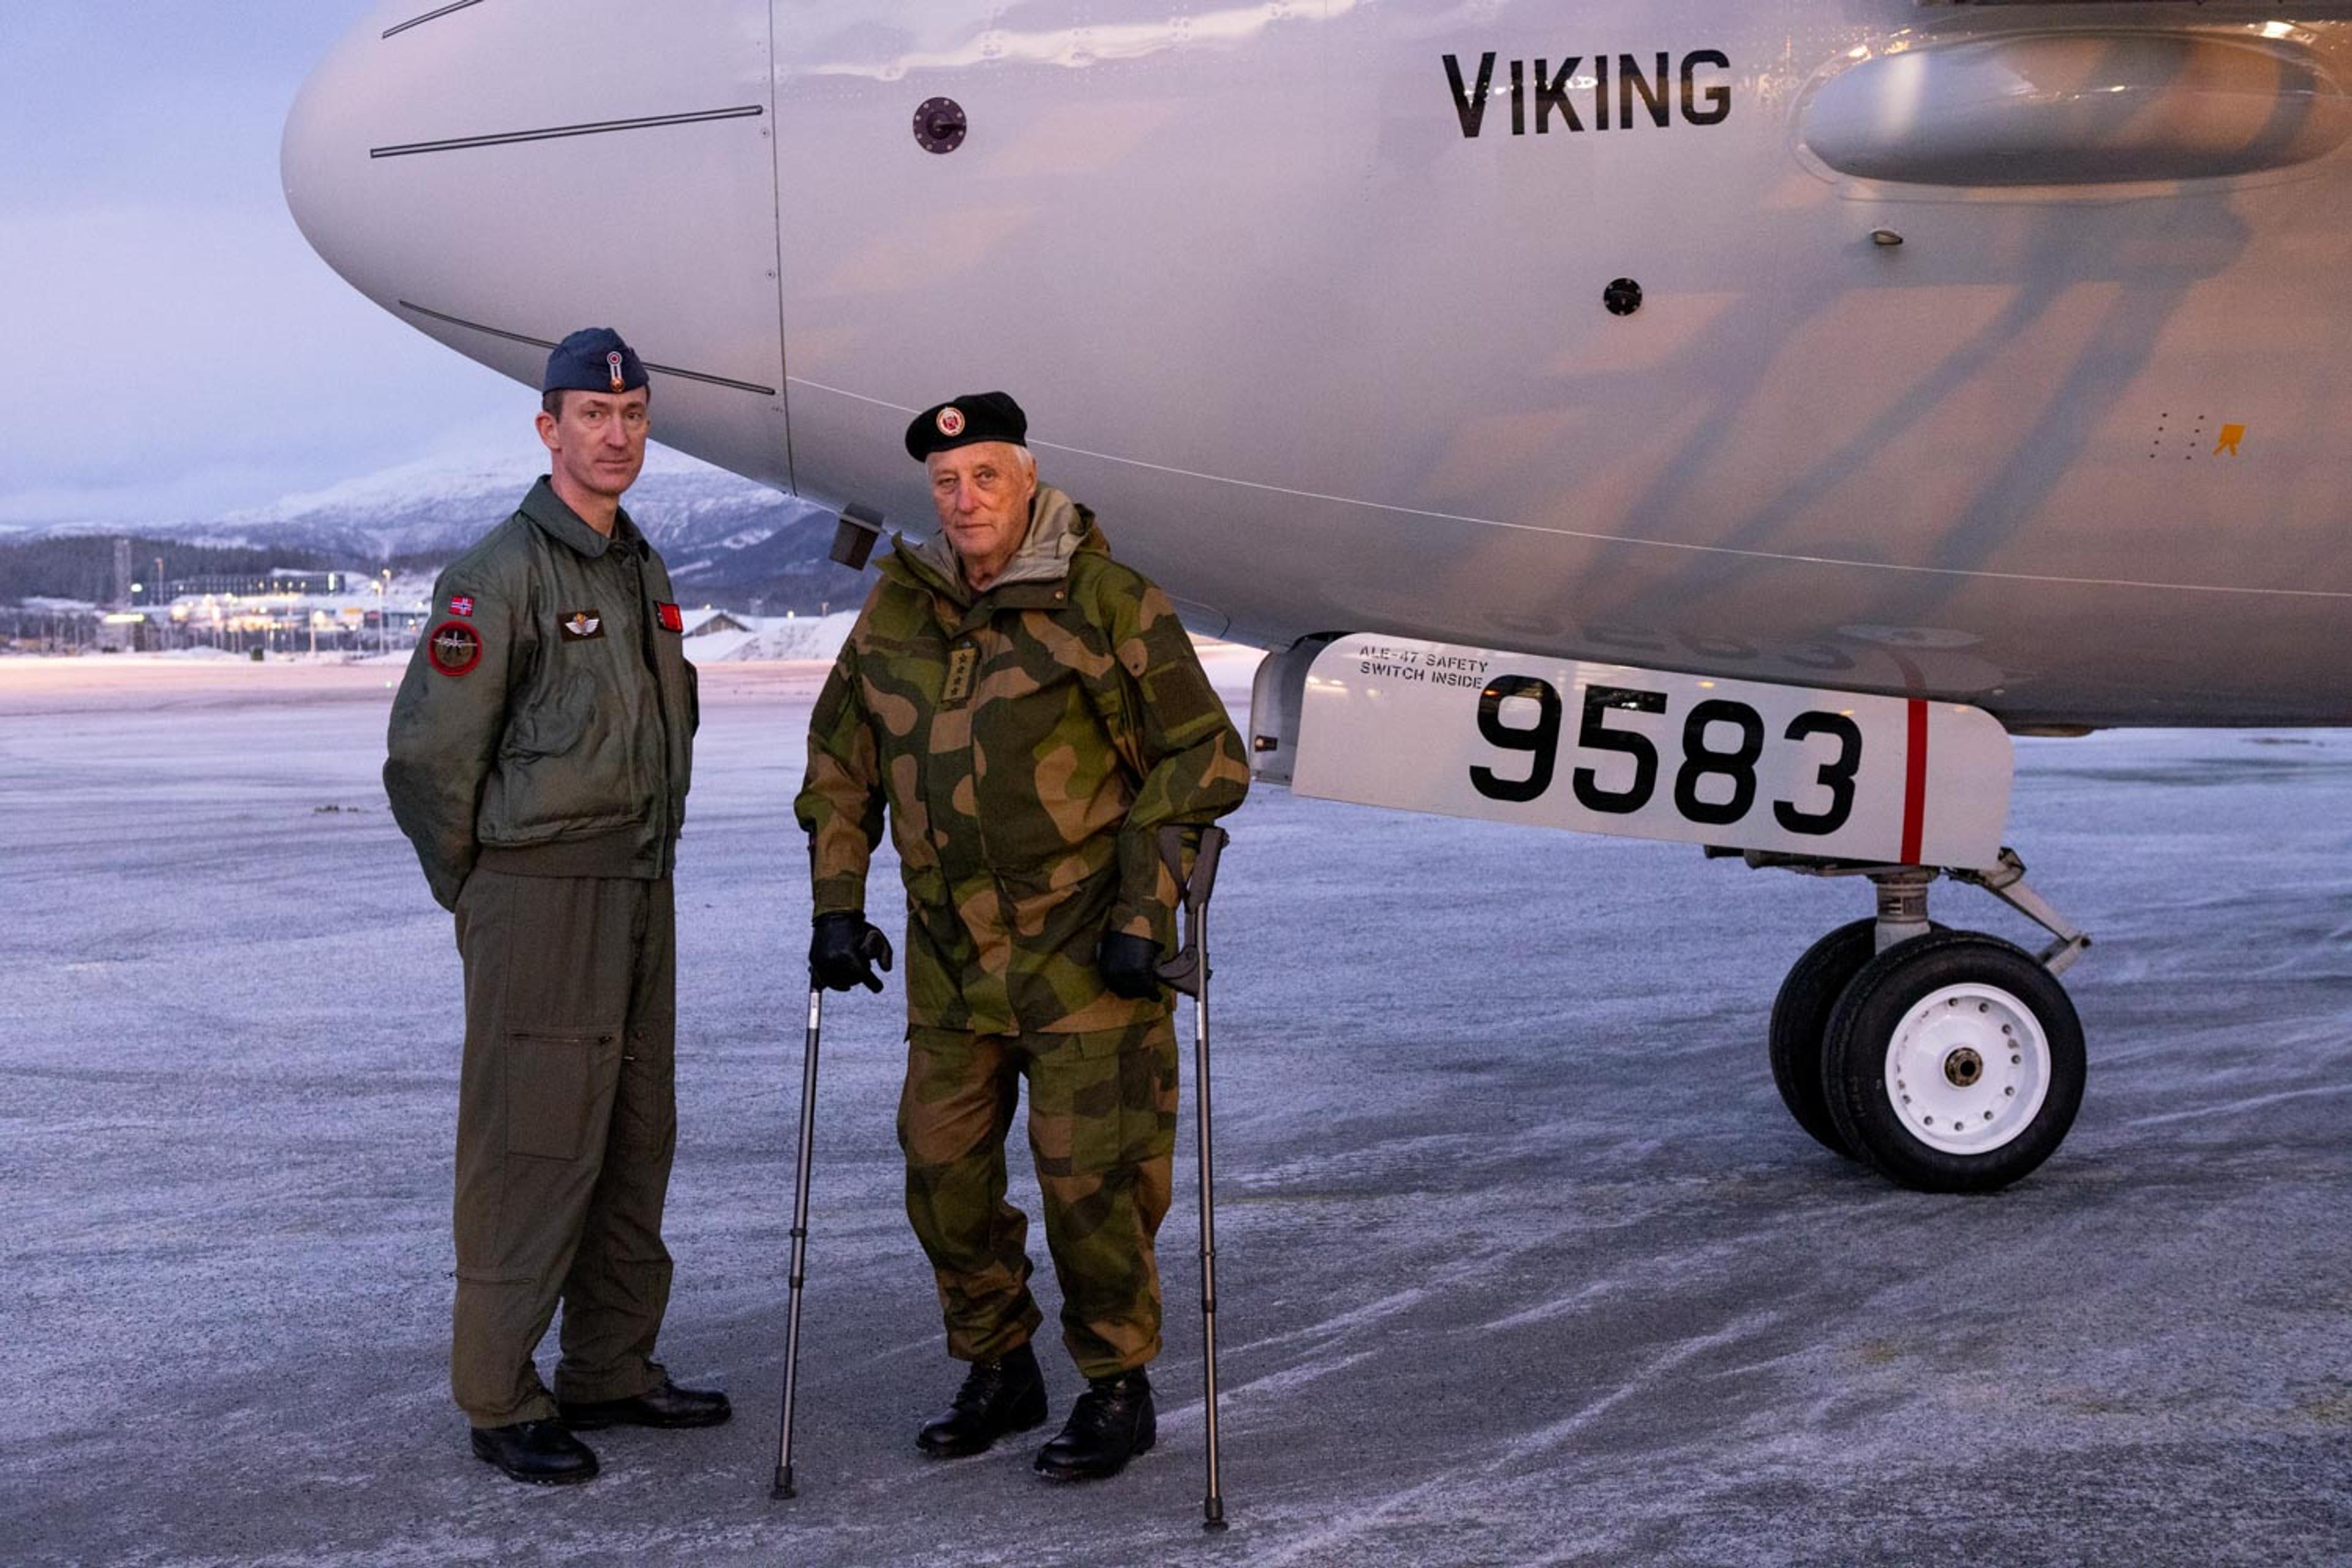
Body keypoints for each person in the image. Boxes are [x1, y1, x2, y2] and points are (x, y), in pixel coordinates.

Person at [796, 391, 1250, 1482]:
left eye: (985, 477)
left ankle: (1118, 1386)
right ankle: (1000, 1364)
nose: (965, 501)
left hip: (1086, 958)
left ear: (1028, 479)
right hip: (952, 963)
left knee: (1092, 1187)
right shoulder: (899, 610)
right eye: (946, 484)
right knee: (940, 1175)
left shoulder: (1105, 602)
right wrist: (837, 905)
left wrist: (1144, 914)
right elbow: (840, 765)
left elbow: (1202, 760)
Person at [383, 328, 727, 1487]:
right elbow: (428, 759)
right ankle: (498, 1392)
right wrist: (483, 893)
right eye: (592, 415)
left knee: (634, 1130)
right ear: (549, 429)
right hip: (540, 894)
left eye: (632, 416)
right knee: (533, 1140)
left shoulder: (639, 568)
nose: (615, 435)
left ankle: (609, 1367)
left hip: (639, 884)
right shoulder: (500, 574)